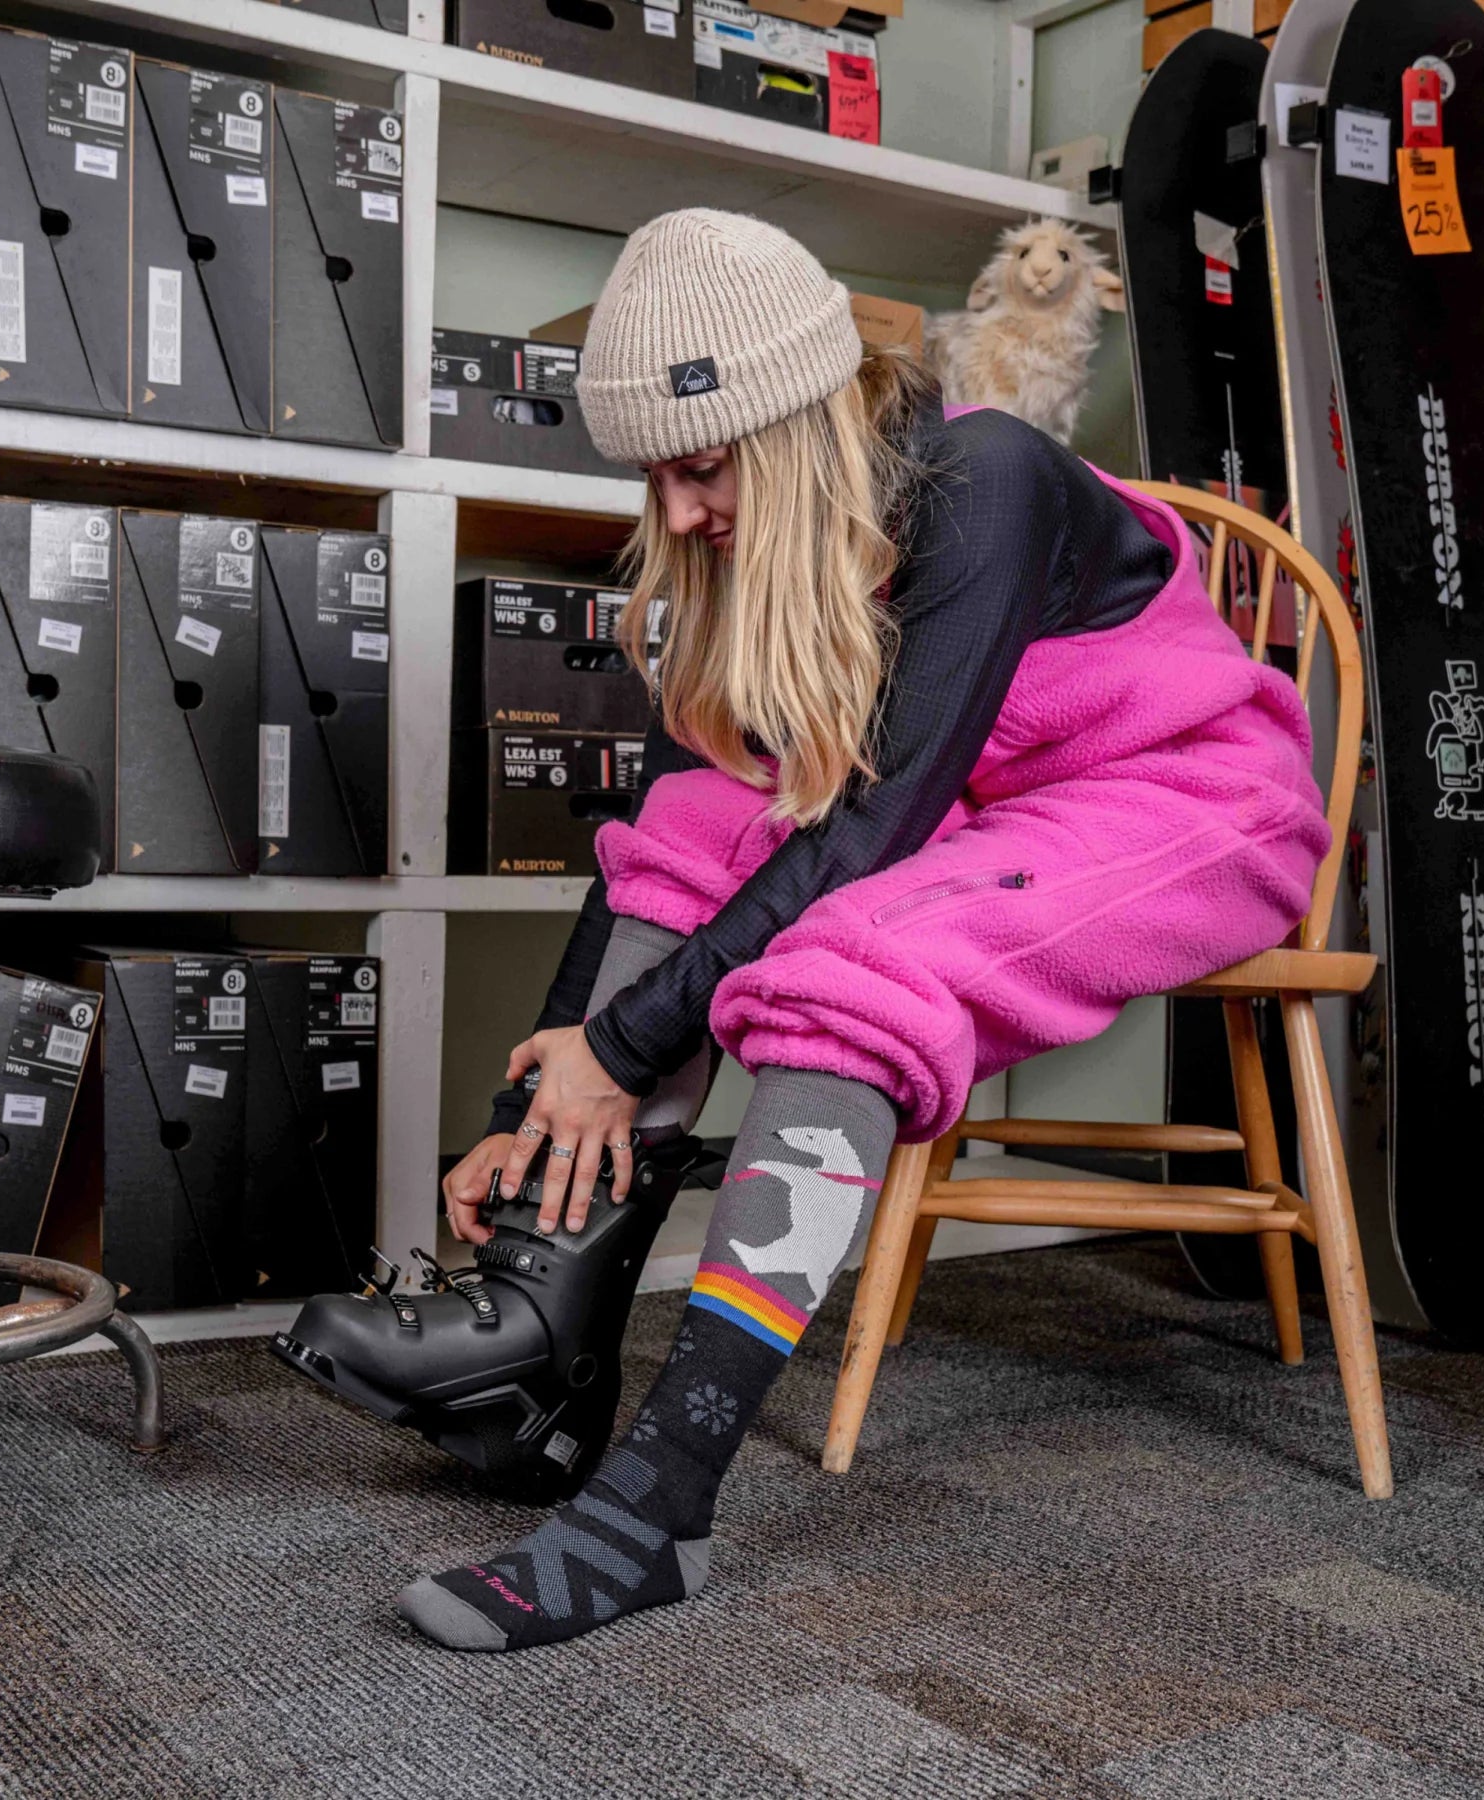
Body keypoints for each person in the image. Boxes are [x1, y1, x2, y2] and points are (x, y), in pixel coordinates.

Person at [407, 209, 1329, 1650]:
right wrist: (533, 1103)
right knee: (706, 828)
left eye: (701, 467)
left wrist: (623, 1048)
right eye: (654, 477)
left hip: (1182, 804)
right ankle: (544, 1343)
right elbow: (665, 829)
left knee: (850, 968)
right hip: (987, 810)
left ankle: (657, 1511)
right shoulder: (758, 548)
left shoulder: (985, 477)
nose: (679, 515)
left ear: (793, 424)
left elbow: (870, 834)